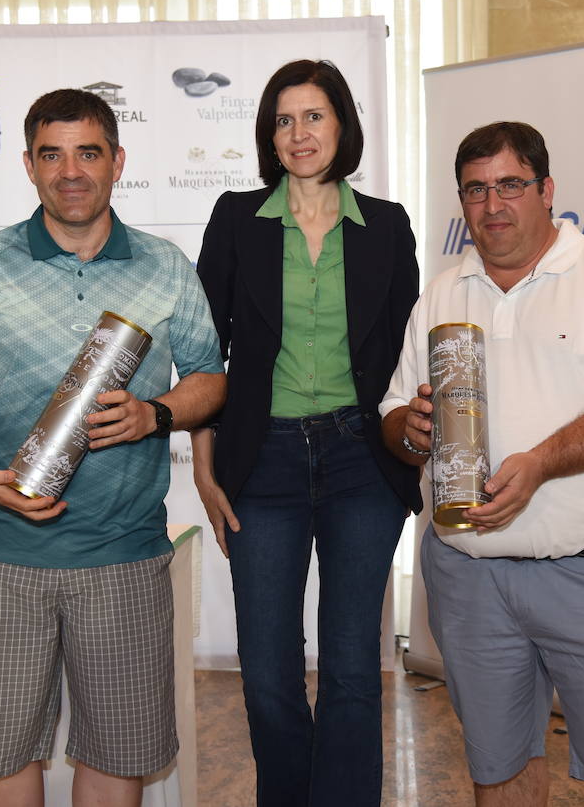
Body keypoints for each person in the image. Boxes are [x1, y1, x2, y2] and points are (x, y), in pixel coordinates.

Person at [0, 89, 226, 807]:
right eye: (52, 154)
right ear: (29, 165)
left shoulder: (165, 265)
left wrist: (157, 413)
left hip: (124, 553)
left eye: (88, 152)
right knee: (0, 754)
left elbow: (211, 380)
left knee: (117, 757)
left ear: (118, 161)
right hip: (1, 552)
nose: (71, 170)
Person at [380, 121, 584, 807]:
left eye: (511, 185)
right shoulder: (442, 294)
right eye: (476, 190)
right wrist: (413, 428)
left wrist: (542, 462)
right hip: (469, 578)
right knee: (500, 772)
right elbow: (394, 417)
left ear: (547, 190)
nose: (493, 206)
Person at [192, 59, 420, 806]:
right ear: (269, 134)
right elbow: (203, 352)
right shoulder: (235, 220)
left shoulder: (387, 225)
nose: (299, 133)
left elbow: (408, 350)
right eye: (284, 120)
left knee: (354, 669)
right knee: (266, 674)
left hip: (363, 461)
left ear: (342, 125)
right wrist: (205, 467)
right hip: (264, 466)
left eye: (314, 116)